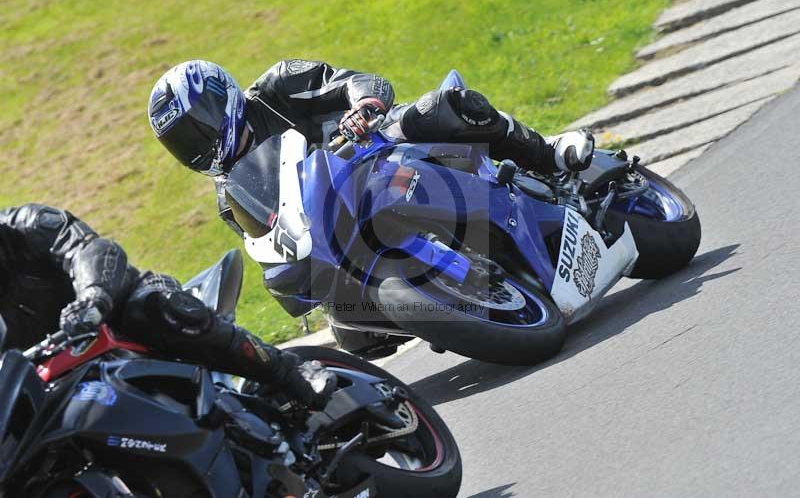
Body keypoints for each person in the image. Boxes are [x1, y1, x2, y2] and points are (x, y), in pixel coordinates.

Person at [147, 59, 595, 236]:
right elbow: (274, 251)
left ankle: (547, 155)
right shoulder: (231, 198)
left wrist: (363, 107)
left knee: (448, 107)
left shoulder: (278, 86)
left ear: (220, 100)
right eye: (182, 142)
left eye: (197, 129)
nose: (197, 146)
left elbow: (357, 82)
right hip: (347, 226)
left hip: (379, 148)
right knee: (356, 337)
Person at [0, 203, 334, 409]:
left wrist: (92, 298)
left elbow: (90, 249)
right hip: (54, 374)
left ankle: (290, 372)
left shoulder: (27, 225)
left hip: (116, 314)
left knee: (162, 310)